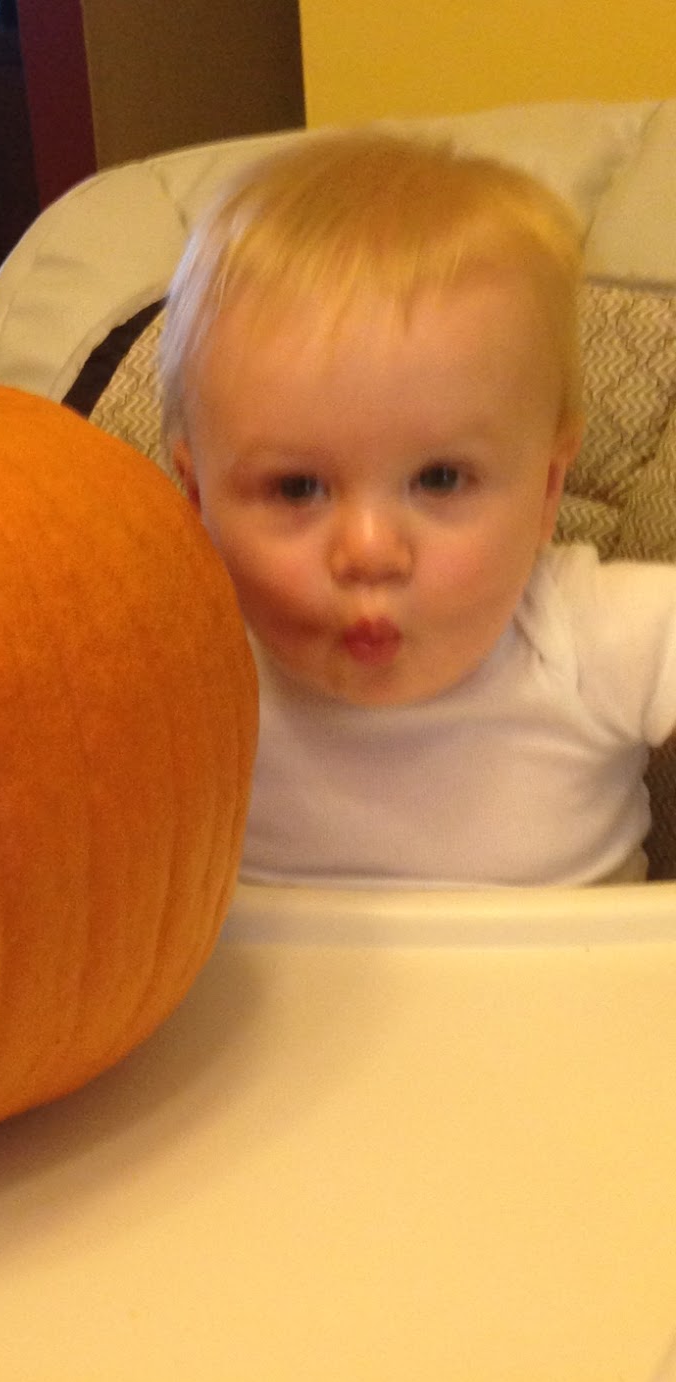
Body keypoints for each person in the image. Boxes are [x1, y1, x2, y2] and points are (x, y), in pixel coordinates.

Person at [158, 129, 676, 888]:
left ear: (547, 491)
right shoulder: (185, 665)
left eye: (440, 479)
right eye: (297, 488)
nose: (370, 551)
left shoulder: (589, 634)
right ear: (196, 499)